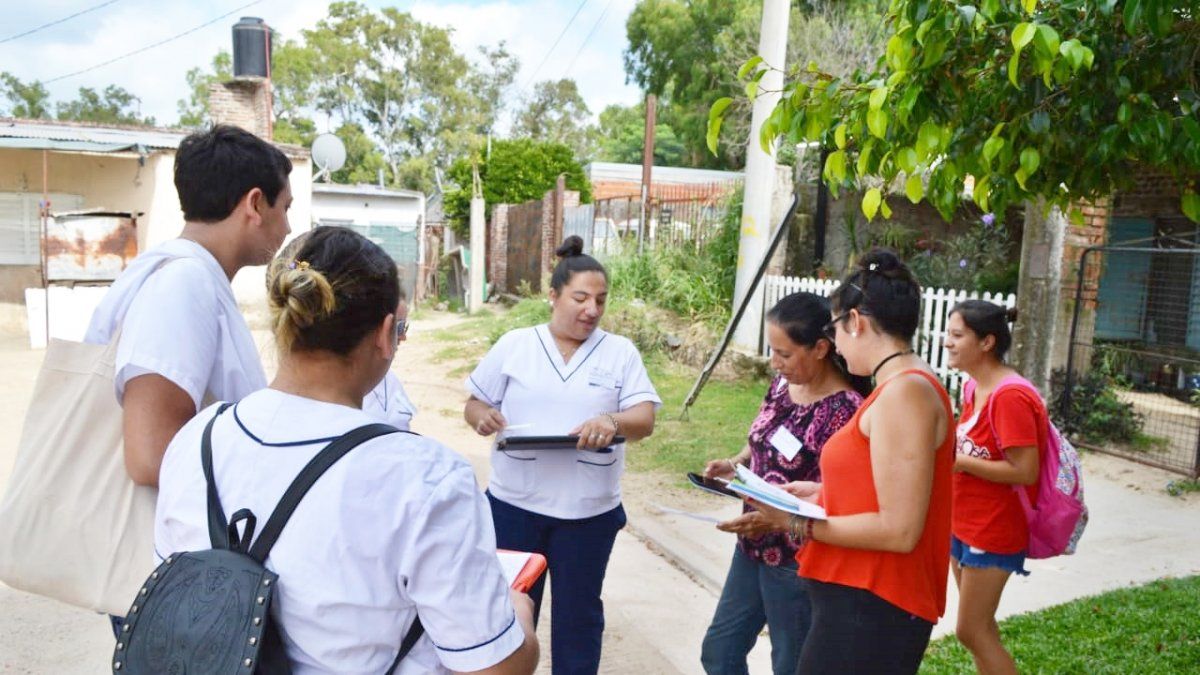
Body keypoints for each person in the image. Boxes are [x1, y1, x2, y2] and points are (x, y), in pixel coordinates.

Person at [154, 226, 540, 674]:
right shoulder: (427, 477)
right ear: (384, 334)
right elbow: (495, 668)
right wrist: (520, 617)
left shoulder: (197, 438)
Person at [84, 124, 293, 635]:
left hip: (183, 569)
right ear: (254, 203)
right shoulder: (182, 284)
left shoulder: (191, 277)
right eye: (285, 207)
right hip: (172, 575)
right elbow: (151, 454)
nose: (287, 227)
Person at [745, 248, 955, 674]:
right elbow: (887, 485)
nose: (836, 343)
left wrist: (794, 523)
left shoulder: (905, 394)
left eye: (835, 329)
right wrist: (824, 493)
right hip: (858, 597)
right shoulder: (895, 387)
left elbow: (899, 529)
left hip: (874, 603)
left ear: (855, 322)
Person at [463, 235, 660, 675]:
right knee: (507, 613)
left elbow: (643, 418)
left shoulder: (620, 352)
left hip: (588, 514)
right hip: (515, 507)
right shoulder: (515, 344)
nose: (592, 309)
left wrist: (611, 423)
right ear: (552, 296)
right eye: (581, 298)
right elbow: (474, 403)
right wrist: (483, 417)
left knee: (579, 618)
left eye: (601, 300)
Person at [699, 292, 867, 675]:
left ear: (822, 348)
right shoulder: (780, 386)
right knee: (719, 652)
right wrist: (736, 463)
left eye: (786, 354)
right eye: (772, 351)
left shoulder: (847, 411)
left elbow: (843, 494)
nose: (776, 363)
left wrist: (778, 517)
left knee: (790, 664)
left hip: (798, 557)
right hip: (753, 545)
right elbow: (764, 436)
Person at [944, 300, 1042, 675]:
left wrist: (959, 461)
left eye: (957, 335)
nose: (947, 342)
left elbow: (1025, 470)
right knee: (981, 628)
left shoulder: (1009, 396)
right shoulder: (973, 387)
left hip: (993, 528)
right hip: (963, 521)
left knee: (970, 631)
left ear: (986, 342)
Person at [276, 231, 418, 430]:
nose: (402, 336)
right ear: (385, 333)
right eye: (399, 327)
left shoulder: (218, 425)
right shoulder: (429, 460)